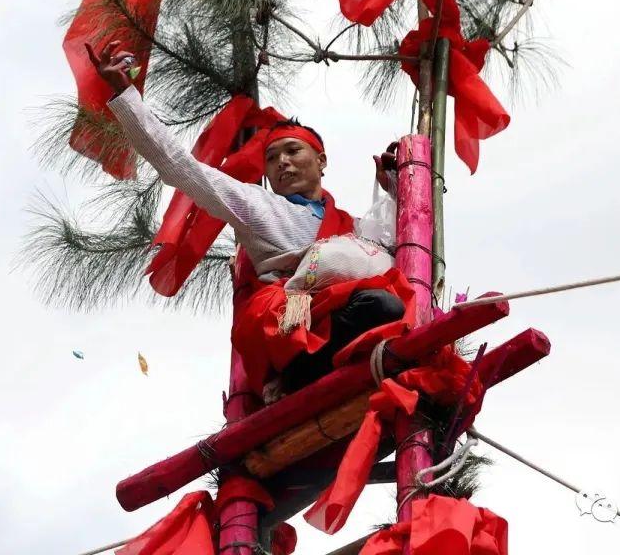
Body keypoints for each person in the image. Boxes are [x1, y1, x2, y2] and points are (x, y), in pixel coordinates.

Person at [86, 41, 409, 395]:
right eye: (271, 158)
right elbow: (180, 166)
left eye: (292, 150)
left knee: (390, 303)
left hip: (345, 319)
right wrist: (125, 96)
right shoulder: (257, 206)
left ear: (322, 161)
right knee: (380, 305)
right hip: (294, 327)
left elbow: (401, 245)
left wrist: (398, 186)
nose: (282, 162)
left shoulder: (353, 226)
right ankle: (294, 379)